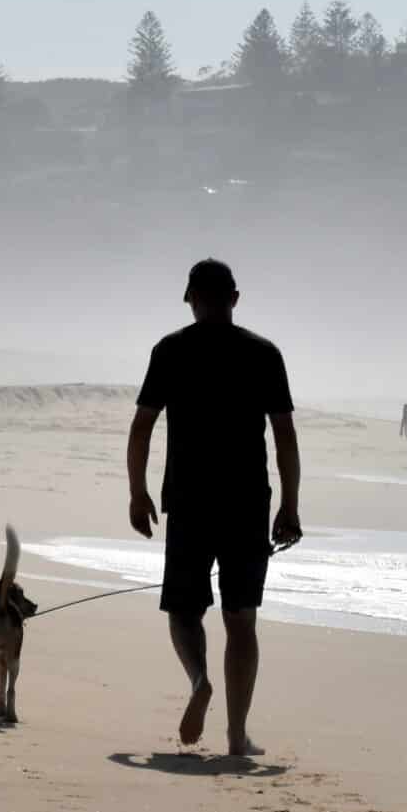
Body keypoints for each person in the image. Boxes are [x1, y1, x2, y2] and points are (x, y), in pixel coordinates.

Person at [126, 258, 302, 758]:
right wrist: (289, 506)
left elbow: (143, 426)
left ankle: (200, 681)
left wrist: (137, 493)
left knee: (184, 609)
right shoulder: (263, 353)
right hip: (247, 502)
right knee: (240, 618)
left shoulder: (170, 350)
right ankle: (235, 735)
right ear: (235, 298)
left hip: (187, 499)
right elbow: (284, 433)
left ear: (189, 298)